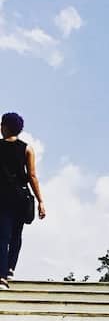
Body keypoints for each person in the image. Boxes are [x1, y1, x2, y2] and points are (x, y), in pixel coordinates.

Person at [0, 112, 46, 289]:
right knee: (16, 235)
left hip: (3, 197)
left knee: (3, 236)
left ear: (5, 126)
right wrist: (41, 201)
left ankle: (2, 275)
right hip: (20, 197)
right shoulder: (27, 149)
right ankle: (10, 268)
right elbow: (32, 175)